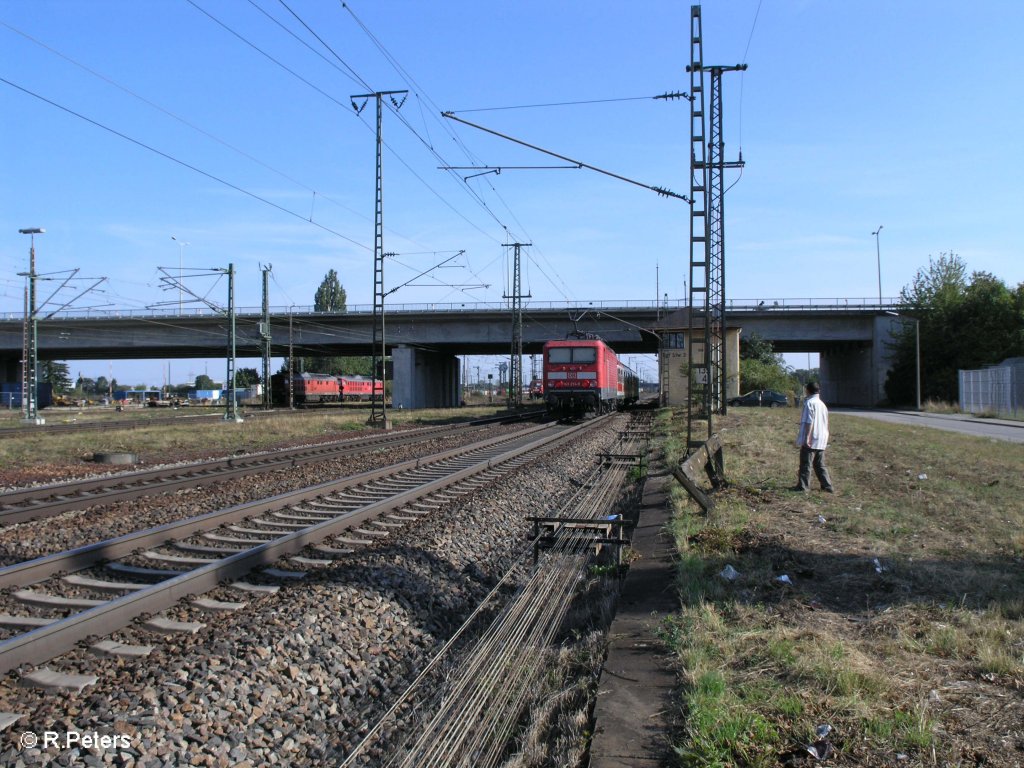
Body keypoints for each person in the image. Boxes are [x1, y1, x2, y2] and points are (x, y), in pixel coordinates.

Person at [793, 381, 834, 493]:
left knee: (806, 464)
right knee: (820, 464)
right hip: (822, 437)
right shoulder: (822, 404)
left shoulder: (809, 403)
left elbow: (808, 422)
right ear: (818, 391)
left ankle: (803, 486)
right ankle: (827, 486)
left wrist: (807, 437)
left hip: (812, 437)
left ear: (807, 390)